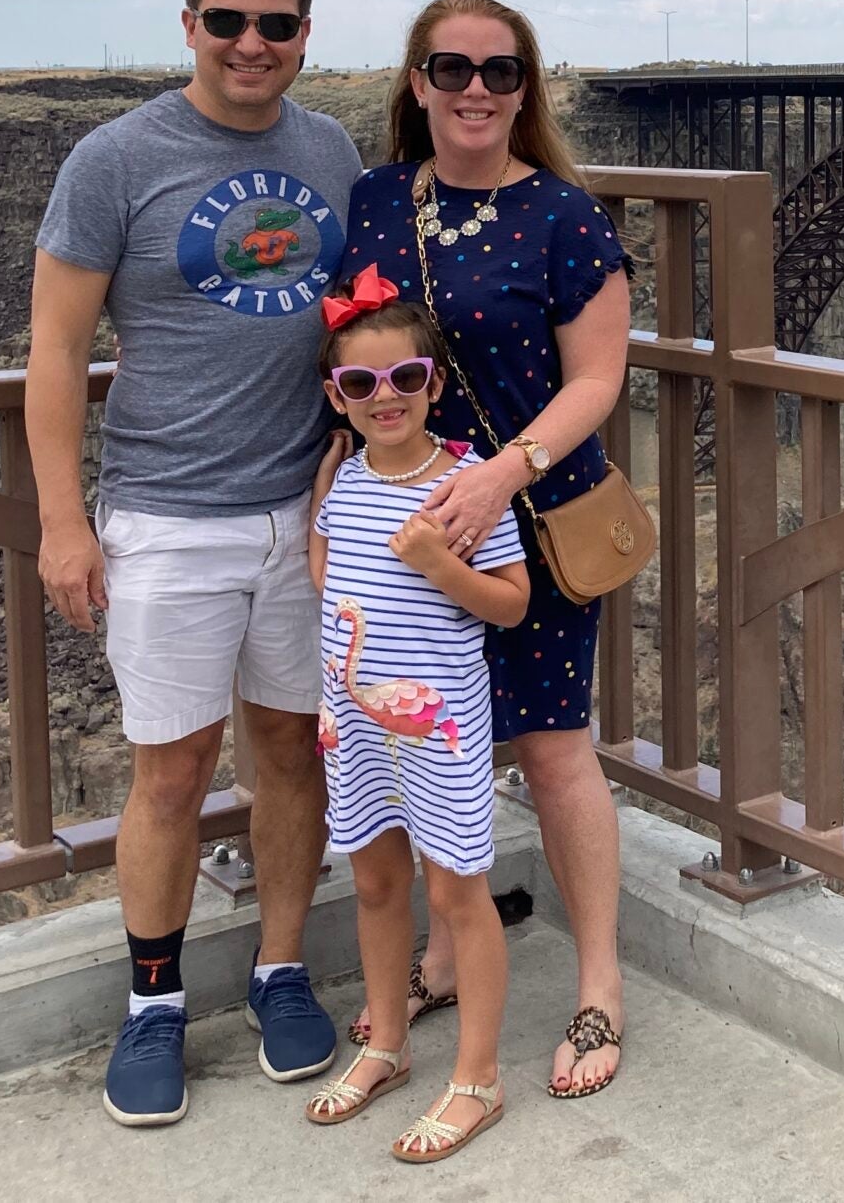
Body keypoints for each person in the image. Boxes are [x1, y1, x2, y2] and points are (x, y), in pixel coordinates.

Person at [28, 0, 361, 1126]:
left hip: (304, 519)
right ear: (189, 27)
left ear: (305, 34)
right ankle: (154, 1001)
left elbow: (360, 320)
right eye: (227, 22)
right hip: (167, 517)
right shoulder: (115, 159)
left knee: (291, 753)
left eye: (275, 24)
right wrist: (63, 523)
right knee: (170, 771)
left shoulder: (330, 150)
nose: (250, 45)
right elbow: (56, 349)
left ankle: (282, 969)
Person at [337, 0, 633, 1100]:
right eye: (451, 68)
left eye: (499, 71)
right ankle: (449, 952)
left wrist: (505, 470)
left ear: (524, 89)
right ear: (416, 82)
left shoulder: (563, 216)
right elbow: (359, 354)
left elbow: (598, 378)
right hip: (409, 529)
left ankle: (599, 985)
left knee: (552, 749)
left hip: (530, 523)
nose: (474, 89)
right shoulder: (376, 200)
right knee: (425, 744)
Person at [300, 271, 529, 1162]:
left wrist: (440, 563)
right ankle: (387, 1042)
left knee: (455, 891)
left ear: (434, 382)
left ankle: (477, 1078)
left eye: (404, 377)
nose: (384, 396)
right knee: (373, 881)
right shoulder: (348, 481)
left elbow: (510, 602)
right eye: (361, 382)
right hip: (356, 724)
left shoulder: (465, 488)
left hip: (437, 728)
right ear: (338, 396)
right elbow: (329, 577)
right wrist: (323, 498)